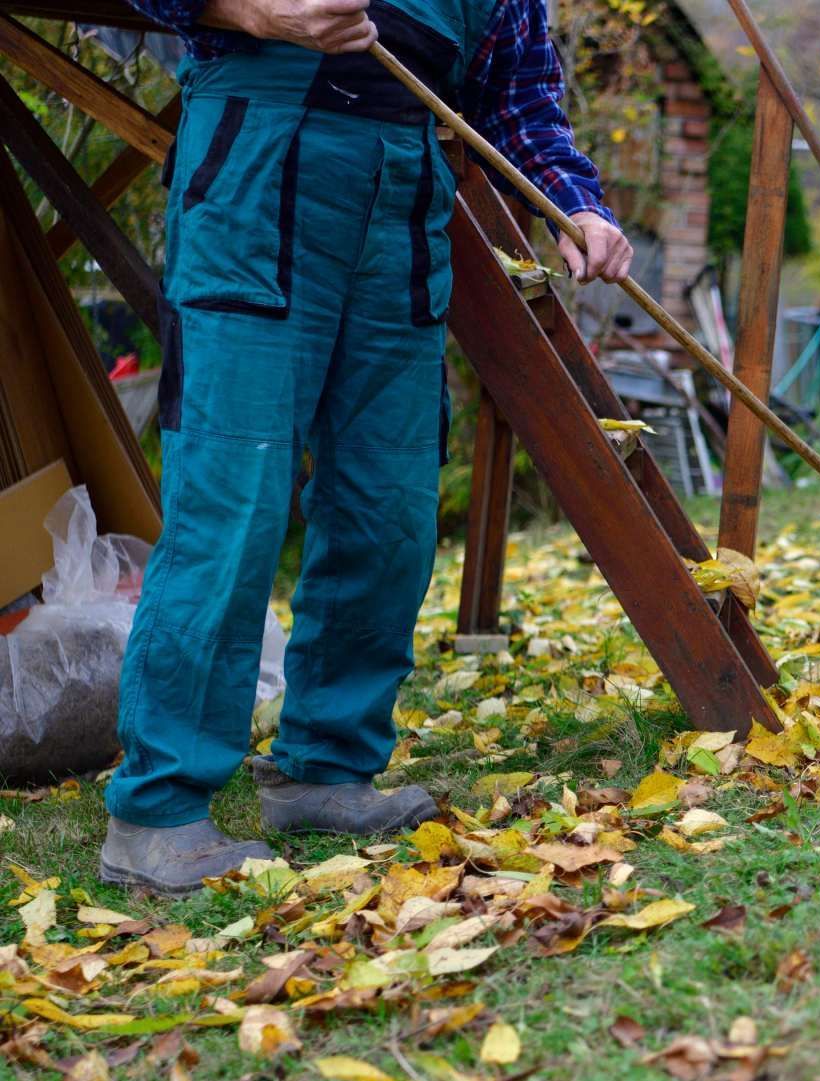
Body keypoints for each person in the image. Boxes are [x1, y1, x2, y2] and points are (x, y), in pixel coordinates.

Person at [98, 0, 632, 894]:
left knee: (390, 507)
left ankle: (325, 767)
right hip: (257, 167)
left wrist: (576, 204)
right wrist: (251, 9)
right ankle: (156, 811)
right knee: (234, 500)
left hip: (404, 201)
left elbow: (521, 96)